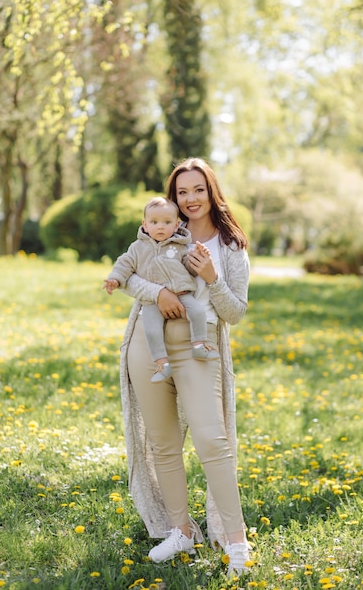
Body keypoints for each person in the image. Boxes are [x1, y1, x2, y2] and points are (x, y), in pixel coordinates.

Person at [106, 157, 251, 577]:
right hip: (147, 346)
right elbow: (130, 274)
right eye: (182, 191)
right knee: (162, 443)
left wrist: (212, 276)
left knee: (212, 441)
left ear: (212, 192)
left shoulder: (230, 247)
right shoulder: (159, 229)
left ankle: (237, 541)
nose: (190, 199)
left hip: (198, 348)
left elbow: (236, 312)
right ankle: (181, 529)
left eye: (198, 190)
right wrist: (158, 293)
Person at [103, 197, 219, 382]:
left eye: (167, 222)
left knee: (197, 312)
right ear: (145, 225)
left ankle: (199, 344)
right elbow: (124, 264)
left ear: (176, 225)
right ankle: (162, 364)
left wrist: (197, 259)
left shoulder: (179, 246)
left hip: (182, 293)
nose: (160, 227)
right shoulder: (138, 248)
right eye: (154, 222)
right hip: (152, 301)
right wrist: (115, 280)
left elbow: (188, 267)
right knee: (152, 330)